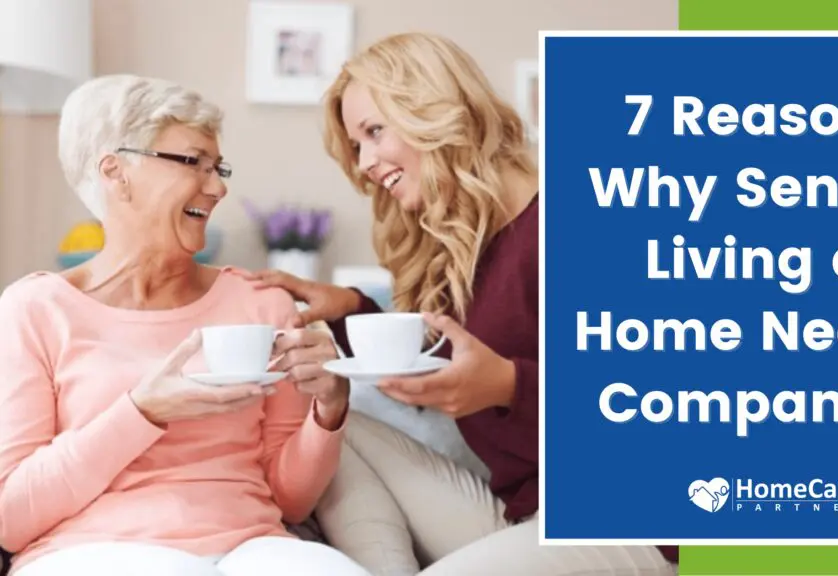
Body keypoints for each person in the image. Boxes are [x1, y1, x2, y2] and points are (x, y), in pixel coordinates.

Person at [244, 32, 679, 575]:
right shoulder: (474, 246)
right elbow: (448, 360)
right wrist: (347, 309)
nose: (364, 164)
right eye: (357, 146)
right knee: (334, 418)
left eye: (374, 132)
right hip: (528, 513)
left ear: (432, 108)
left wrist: (509, 385)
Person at [0, 75, 370, 576]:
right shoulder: (36, 309)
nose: (218, 187)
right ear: (116, 172)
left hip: (251, 547)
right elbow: (11, 516)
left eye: (219, 168)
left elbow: (289, 500)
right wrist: (141, 410)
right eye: (193, 162)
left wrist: (330, 407)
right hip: (90, 550)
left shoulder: (260, 304)